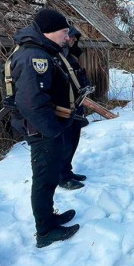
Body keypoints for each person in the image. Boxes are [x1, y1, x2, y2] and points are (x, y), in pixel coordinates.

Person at [9, 8, 80, 248]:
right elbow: (31, 102)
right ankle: (45, 231)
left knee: (49, 177)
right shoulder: (34, 56)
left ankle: (49, 218)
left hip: (45, 128)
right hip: (41, 130)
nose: (67, 36)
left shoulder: (41, 51)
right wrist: (53, 130)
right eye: (64, 31)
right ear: (49, 31)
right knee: (44, 179)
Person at [57, 26, 91, 190]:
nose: (74, 40)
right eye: (72, 37)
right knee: (65, 144)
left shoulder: (70, 56)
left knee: (73, 141)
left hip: (76, 106)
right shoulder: (57, 57)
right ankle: (62, 177)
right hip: (64, 109)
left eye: (75, 38)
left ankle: (67, 171)